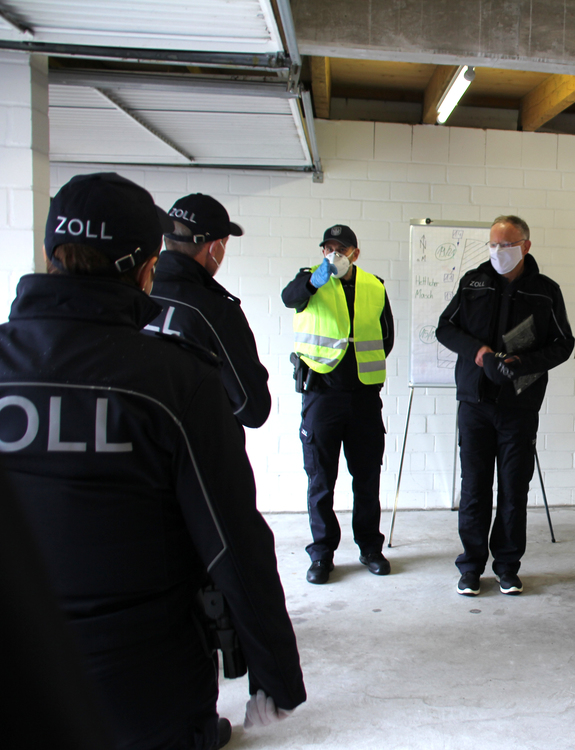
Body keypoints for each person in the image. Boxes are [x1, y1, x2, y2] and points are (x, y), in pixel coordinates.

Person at [0, 172, 306, 749]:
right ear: (146, 268)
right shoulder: (177, 380)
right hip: (143, 683)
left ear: (46, 254)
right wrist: (275, 672)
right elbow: (232, 539)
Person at [436, 215, 575, 596]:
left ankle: (508, 568)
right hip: (474, 403)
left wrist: (521, 364)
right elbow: (445, 328)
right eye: (493, 245)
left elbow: (563, 344)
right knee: (474, 489)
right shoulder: (473, 282)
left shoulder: (545, 290)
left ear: (525, 246)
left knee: (514, 490)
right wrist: (479, 352)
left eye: (507, 245)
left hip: (519, 406)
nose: (498, 252)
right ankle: (470, 567)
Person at [282, 224, 394, 584]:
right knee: (320, 479)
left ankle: (370, 548)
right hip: (322, 394)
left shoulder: (374, 286)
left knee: (367, 477)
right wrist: (313, 281)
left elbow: (386, 336)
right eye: (328, 248)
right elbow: (289, 298)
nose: (334, 255)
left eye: (341, 249)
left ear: (355, 254)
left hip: (363, 396)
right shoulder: (310, 281)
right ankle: (322, 554)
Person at [145, 193, 271, 428]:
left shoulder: (134, 293)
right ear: (214, 247)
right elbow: (253, 408)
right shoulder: (216, 311)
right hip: (195, 444)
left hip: (136, 440)